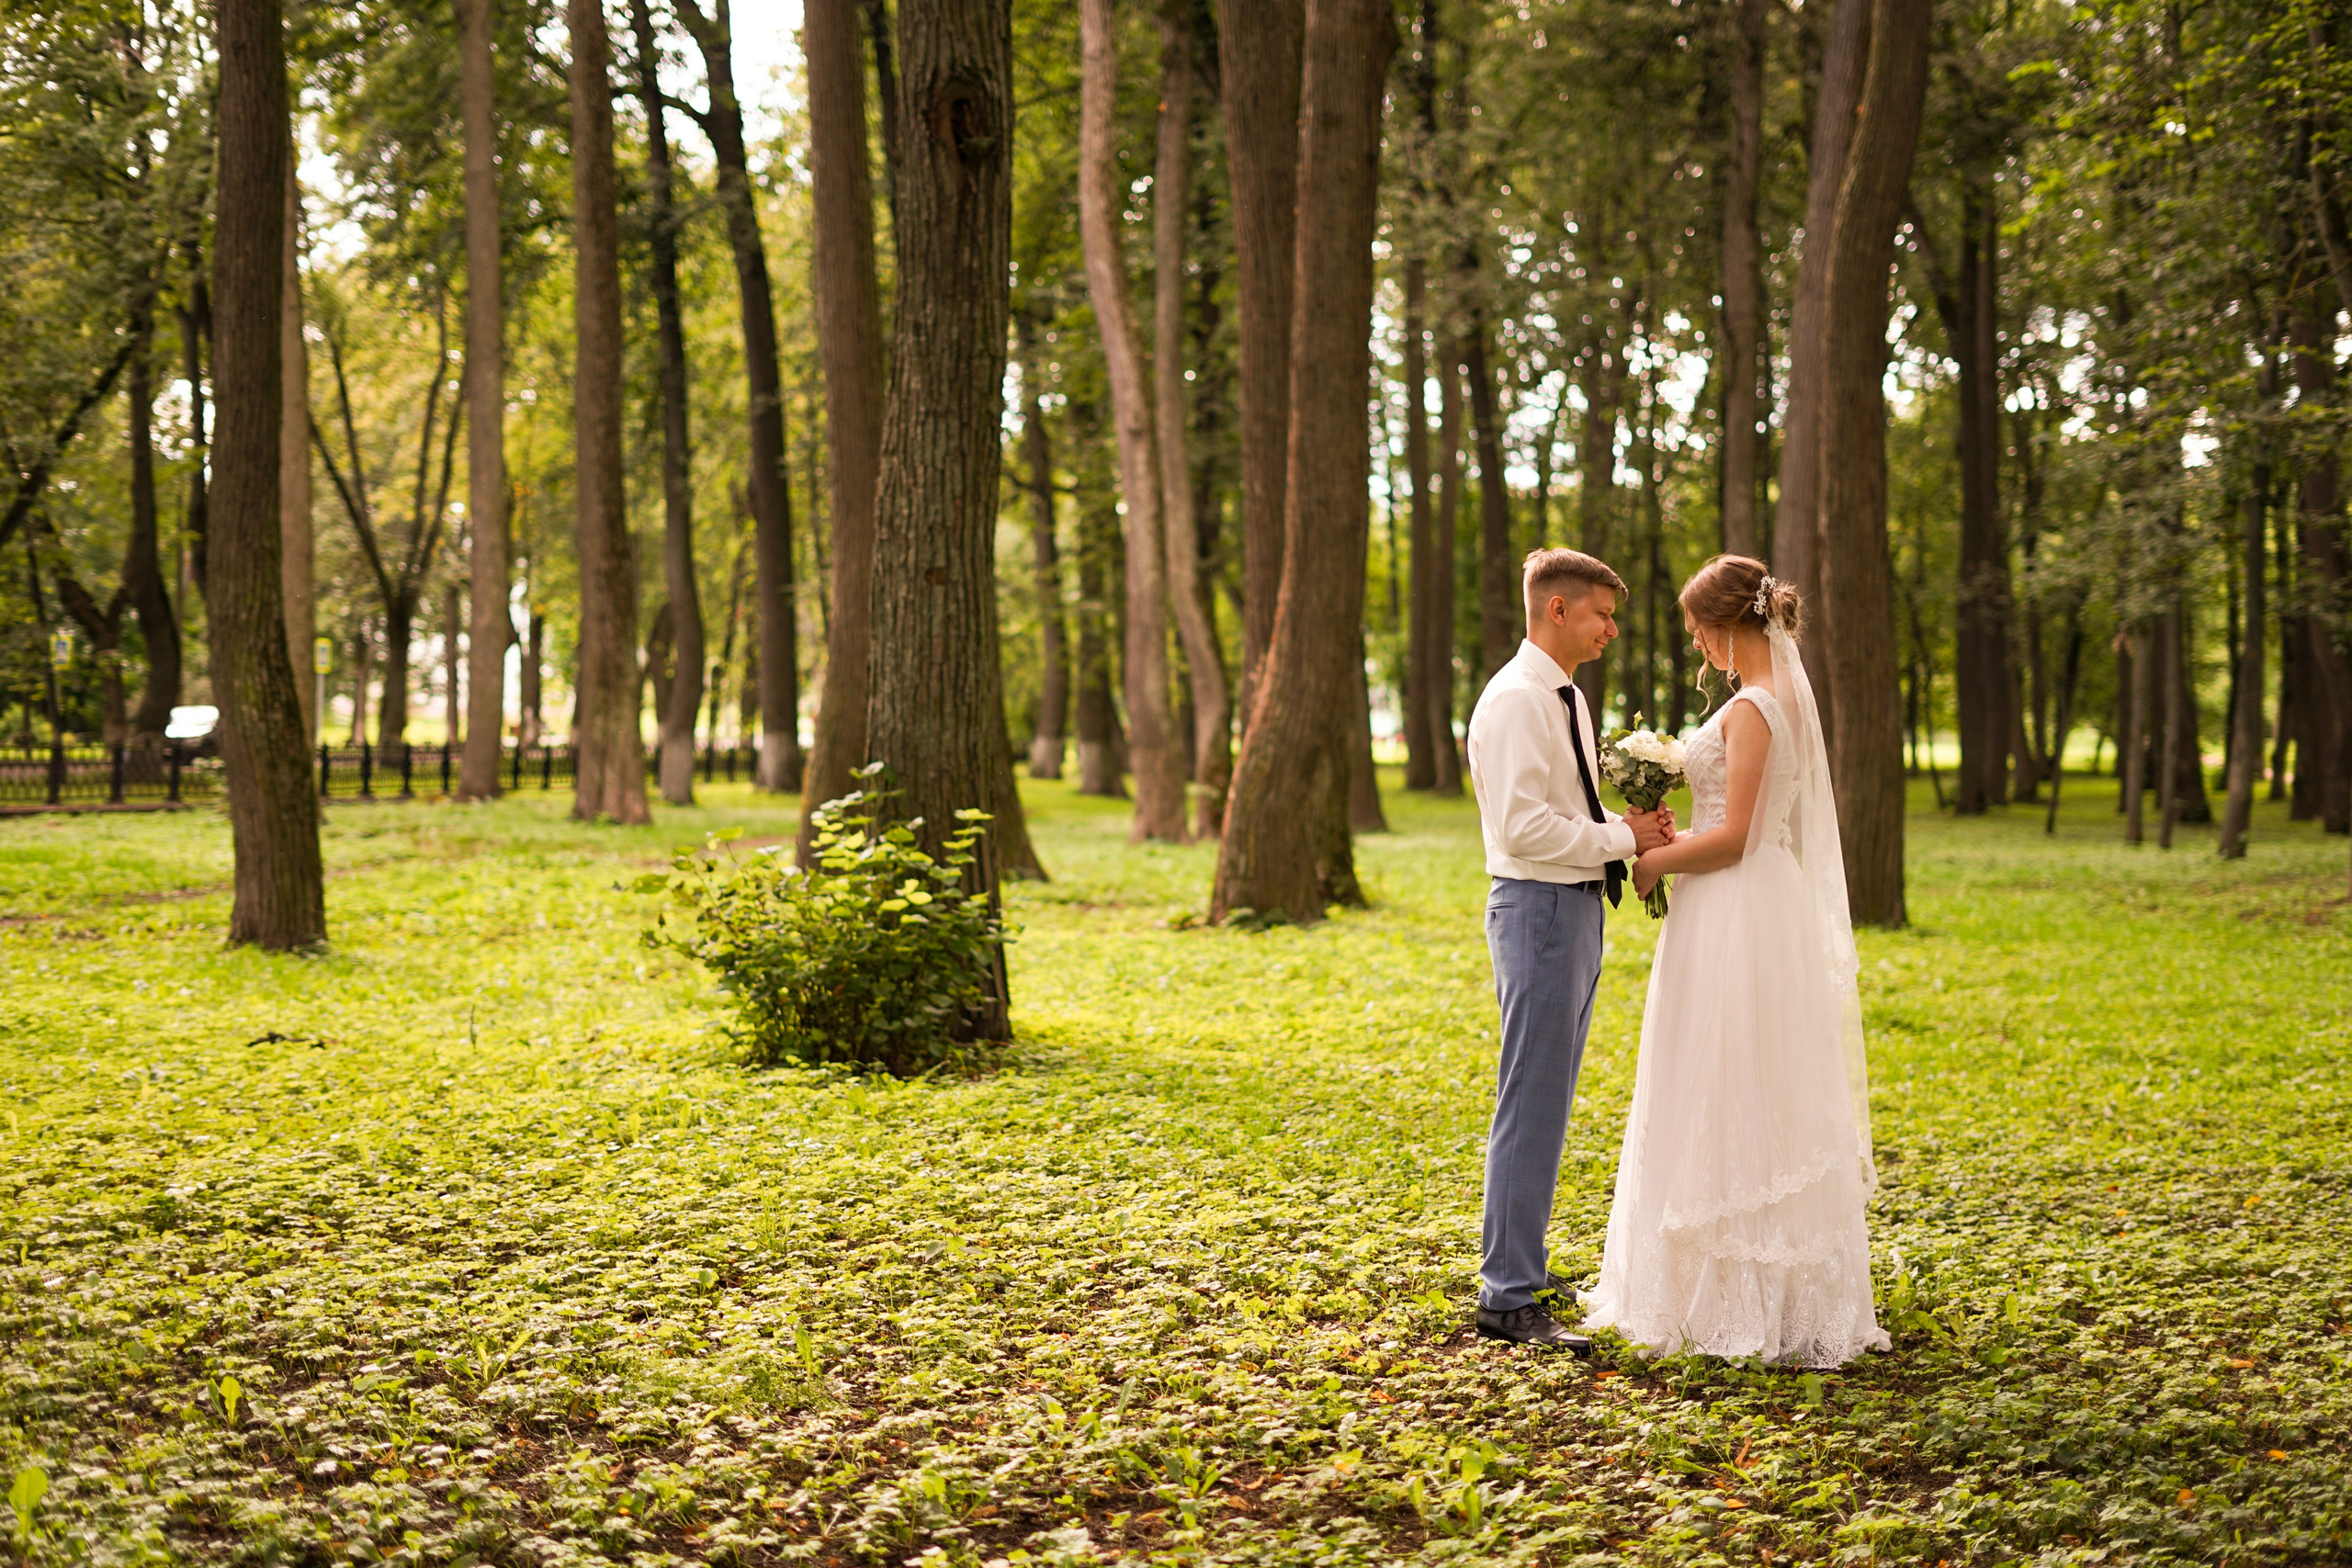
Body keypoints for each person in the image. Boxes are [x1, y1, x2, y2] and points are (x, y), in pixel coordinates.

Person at [1579, 554, 1888, 1367]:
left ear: (1725, 624)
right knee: (1743, 1074)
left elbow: (1740, 833)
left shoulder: (1754, 707)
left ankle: (1729, 1291)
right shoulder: (1773, 697)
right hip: (1751, 899)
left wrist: (1653, 862)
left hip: (1736, 903)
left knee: (1727, 1074)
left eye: (1695, 629)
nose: (1695, 643)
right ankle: (1740, 1276)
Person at [1464, 548, 1673, 1352]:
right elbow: (1521, 827)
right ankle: (1506, 1297)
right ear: (1557, 610)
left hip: (1575, 908)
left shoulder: (1569, 699)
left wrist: (1626, 832)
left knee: (1549, 1098)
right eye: (1600, 614)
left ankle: (1524, 1265)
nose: (1611, 629)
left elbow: (1566, 807)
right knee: (1532, 1097)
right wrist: (1624, 837)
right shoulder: (1515, 700)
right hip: (1538, 910)